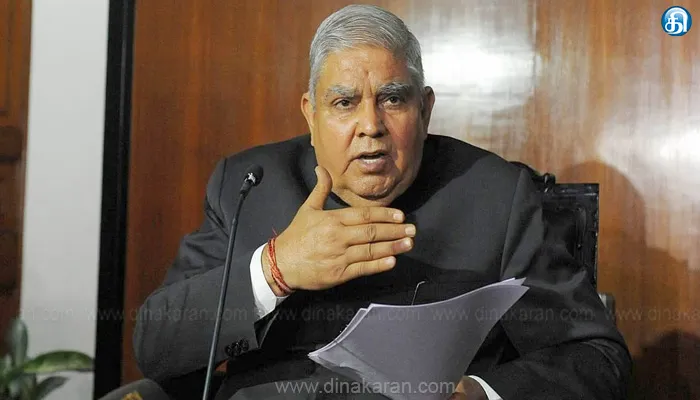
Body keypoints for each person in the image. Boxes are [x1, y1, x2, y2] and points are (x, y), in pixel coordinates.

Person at [133, 4, 631, 399]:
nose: (371, 125)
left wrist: (479, 393)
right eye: (344, 102)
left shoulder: (496, 196)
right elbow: (156, 346)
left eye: (393, 99)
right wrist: (275, 269)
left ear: (425, 110)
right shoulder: (249, 184)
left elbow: (596, 356)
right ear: (310, 114)